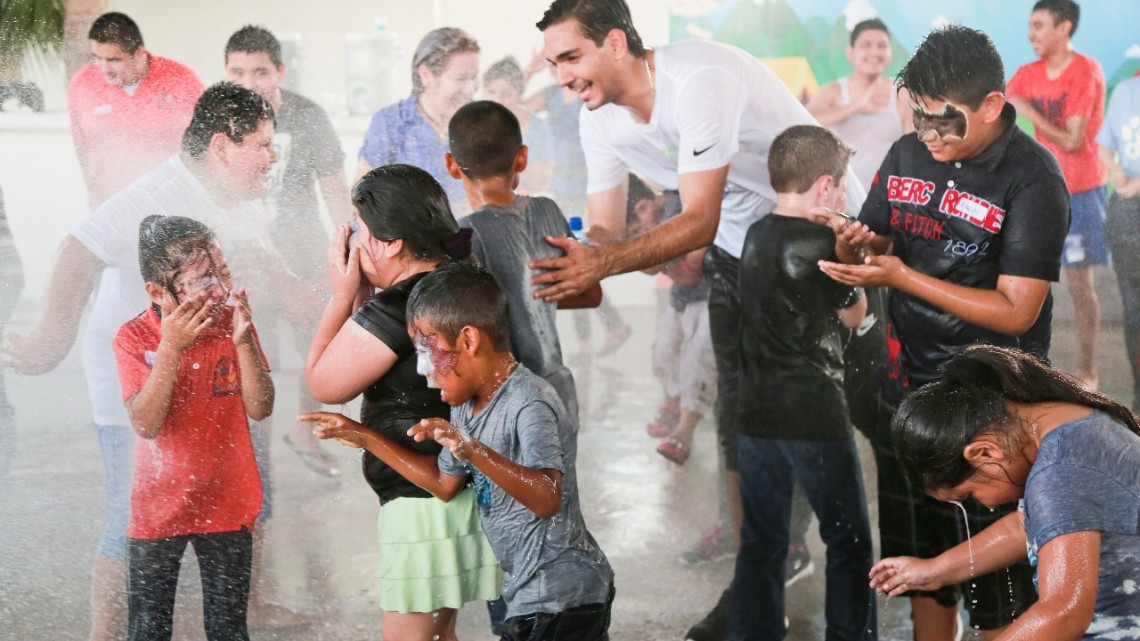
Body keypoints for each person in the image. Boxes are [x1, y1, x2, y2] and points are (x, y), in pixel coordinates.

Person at [532, 2, 864, 635]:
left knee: (846, 409)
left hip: (827, 241)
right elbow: (604, 230)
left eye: (571, 58)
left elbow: (697, 219)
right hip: (743, 255)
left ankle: (884, 572)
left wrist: (599, 266)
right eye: (553, 64)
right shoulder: (598, 120)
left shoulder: (698, 81)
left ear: (615, 43)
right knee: (741, 417)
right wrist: (560, 265)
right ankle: (761, 575)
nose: (563, 77)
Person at [3, 83, 305, 641]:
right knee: (133, 513)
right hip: (144, 368)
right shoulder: (160, 191)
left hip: (219, 367)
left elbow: (268, 266)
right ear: (221, 146)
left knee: (244, 488)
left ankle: (248, 607)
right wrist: (52, 336)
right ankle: (105, 634)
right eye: (262, 144)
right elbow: (78, 249)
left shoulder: (244, 195)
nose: (273, 156)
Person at [818, 25, 1070, 641]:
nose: (929, 136)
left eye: (943, 122)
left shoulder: (1033, 179)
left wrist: (900, 275)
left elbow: (1016, 310)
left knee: (995, 575)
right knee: (923, 562)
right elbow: (882, 233)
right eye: (920, 119)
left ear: (990, 105)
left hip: (992, 409)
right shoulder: (909, 153)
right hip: (911, 398)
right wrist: (860, 241)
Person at [304, 261, 616, 641]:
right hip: (530, 596)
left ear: (469, 340)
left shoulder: (529, 401)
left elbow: (547, 496)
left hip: (567, 597)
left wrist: (471, 449)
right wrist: (364, 436)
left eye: (427, 348)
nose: (422, 369)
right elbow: (443, 483)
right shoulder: (464, 407)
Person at [304, 164, 502, 640]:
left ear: (392, 243)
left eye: (361, 230)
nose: (353, 242)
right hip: (467, 488)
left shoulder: (399, 306)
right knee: (443, 633)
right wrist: (365, 298)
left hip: (421, 503)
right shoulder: (458, 280)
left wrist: (339, 296)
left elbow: (325, 383)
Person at [869, 345, 1140, 641]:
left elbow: (1063, 613)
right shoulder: (1067, 424)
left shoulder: (1060, 472)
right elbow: (1024, 526)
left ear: (984, 452)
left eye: (969, 496)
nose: (983, 505)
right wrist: (935, 571)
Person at [731, 124, 874, 641]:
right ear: (822, 187)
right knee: (849, 543)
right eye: (838, 187)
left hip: (755, 412)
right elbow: (856, 315)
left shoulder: (755, 233)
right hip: (812, 412)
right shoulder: (822, 242)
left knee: (761, 541)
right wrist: (851, 253)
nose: (840, 197)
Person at [114, 215, 273, 641]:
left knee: (228, 629)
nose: (220, 290)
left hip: (227, 500)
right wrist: (170, 347)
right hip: (156, 507)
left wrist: (242, 341)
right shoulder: (135, 338)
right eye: (204, 280)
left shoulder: (232, 324)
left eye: (222, 273)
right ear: (156, 291)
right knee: (148, 629)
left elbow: (260, 408)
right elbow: (146, 424)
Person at [224, 24, 348, 478]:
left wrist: (349, 248)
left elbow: (334, 188)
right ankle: (253, 458)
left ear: (279, 71)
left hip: (304, 251)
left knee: (319, 351)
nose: (248, 83)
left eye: (259, 72)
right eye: (237, 73)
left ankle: (304, 434)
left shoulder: (307, 116)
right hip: (243, 259)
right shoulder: (218, 115)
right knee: (256, 357)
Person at [446, 99, 602, 427]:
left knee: (510, 480)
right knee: (558, 478)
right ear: (522, 157)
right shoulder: (548, 212)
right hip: (557, 388)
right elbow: (590, 294)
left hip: (502, 400)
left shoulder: (463, 237)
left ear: (452, 164)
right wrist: (532, 298)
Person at [1006, 0, 1107, 391]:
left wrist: (1027, 109)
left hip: (1081, 191)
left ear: (1064, 28)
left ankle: (1088, 370)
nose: (1031, 34)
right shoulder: (1024, 74)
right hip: (1038, 194)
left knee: (1082, 287)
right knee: (1030, 285)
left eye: (1039, 25)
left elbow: (1072, 139)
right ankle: (1030, 369)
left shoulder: (1087, 71)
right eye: (1030, 26)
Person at [522, 52, 632, 359]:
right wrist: (527, 72)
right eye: (553, 66)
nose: (559, 72)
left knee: (574, 256)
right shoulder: (550, 95)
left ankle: (605, 330)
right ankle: (604, 330)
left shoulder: (586, 91)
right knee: (569, 257)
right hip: (562, 187)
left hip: (587, 188)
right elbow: (511, 106)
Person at [624, 176, 716, 466]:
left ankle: (685, 430)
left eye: (637, 231)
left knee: (697, 357)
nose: (640, 237)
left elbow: (684, 269)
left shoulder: (679, 206)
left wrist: (676, 264)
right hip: (682, 295)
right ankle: (673, 403)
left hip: (713, 292)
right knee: (663, 350)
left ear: (642, 208)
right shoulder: (666, 205)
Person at [68, 12, 203, 209]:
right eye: (97, 58)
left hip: (173, 204)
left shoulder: (181, 79)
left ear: (139, 53)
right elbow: (81, 145)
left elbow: (205, 140)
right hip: (110, 204)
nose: (104, 68)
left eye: (114, 60)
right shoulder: (82, 83)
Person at [357, 27, 479, 213]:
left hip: (471, 237)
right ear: (426, 76)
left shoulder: (481, 122)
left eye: (474, 77)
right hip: (407, 238)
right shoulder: (391, 124)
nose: (471, 89)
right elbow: (362, 201)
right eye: (461, 79)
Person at [807, 18, 914, 190]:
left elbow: (913, 147)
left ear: (890, 53)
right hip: (841, 197)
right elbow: (805, 123)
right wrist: (855, 106)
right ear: (850, 52)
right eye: (866, 45)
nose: (874, 52)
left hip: (887, 199)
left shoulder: (901, 94)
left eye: (882, 46)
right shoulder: (833, 91)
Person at [1096, 73, 1140, 411]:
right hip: (1127, 213)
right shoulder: (1125, 90)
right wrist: (1115, 171)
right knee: (1133, 310)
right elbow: (1105, 146)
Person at [482, 57, 554, 197]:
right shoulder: (475, 121)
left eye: (506, 95)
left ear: (520, 95)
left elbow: (541, 181)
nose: (497, 100)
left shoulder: (537, 127)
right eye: (491, 92)